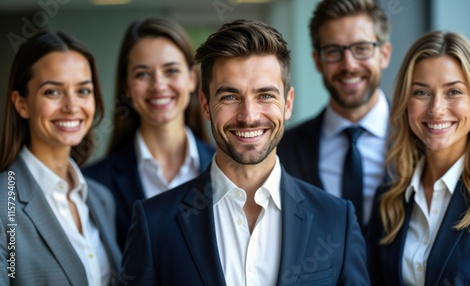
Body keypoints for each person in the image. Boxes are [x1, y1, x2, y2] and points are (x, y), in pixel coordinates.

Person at [122, 19, 369, 285]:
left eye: (265, 96)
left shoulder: (336, 219)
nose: (248, 116)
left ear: (288, 103)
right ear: (205, 105)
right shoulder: (154, 222)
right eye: (230, 97)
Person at [366, 31, 470, 285]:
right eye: (422, 93)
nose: (437, 109)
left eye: (454, 92)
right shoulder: (388, 201)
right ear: (406, 102)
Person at [82, 16, 215, 250]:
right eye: (143, 74)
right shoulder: (94, 183)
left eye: (171, 71)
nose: (158, 85)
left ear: (192, 79)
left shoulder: (227, 169)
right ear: (126, 86)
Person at [0, 31, 121, 286]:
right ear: (21, 104)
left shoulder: (101, 199)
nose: (72, 106)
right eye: (53, 92)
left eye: (83, 91)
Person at [278, 0, 392, 227]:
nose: (349, 65)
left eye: (362, 48)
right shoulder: (283, 150)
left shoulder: (421, 139)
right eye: (333, 51)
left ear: (385, 54)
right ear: (317, 61)